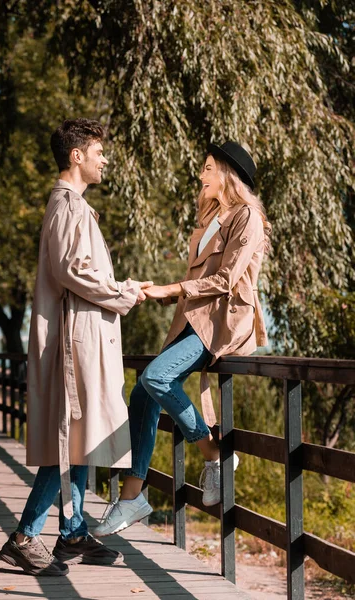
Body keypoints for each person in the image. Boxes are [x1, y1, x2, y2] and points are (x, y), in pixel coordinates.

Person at [93, 140, 270, 537]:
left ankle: (214, 455)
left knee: (157, 378)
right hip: (192, 320)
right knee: (142, 393)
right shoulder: (212, 219)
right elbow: (198, 280)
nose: (202, 175)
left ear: (227, 175)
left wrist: (170, 289)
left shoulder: (247, 219)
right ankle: (132, 498)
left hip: (220, 322)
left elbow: (225, 280)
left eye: (209, 168)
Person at [0, 118, 152, 575]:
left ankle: (71, 533)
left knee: (81, 438)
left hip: (83, 340)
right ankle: (26, 535)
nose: (105, 159)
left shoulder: (76, 207)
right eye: (98, 151)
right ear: (76, 156)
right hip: (75, 344)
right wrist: (124, 291)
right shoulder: (68, 207)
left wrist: (121, 289)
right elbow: (74, 271)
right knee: (71, 440)